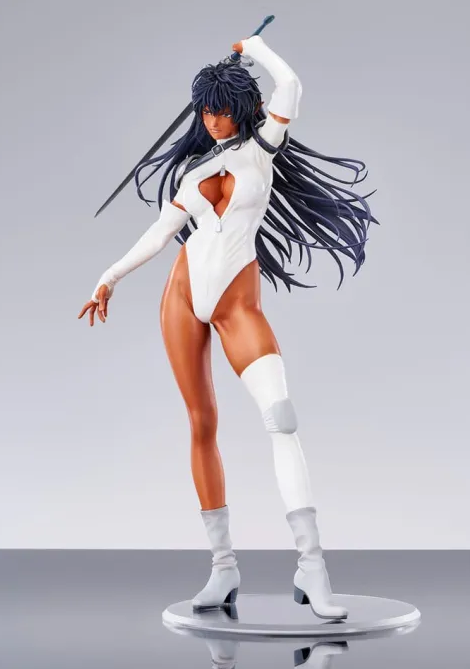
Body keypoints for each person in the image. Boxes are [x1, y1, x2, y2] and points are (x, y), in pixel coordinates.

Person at [78, 35, 377, 620]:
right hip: (182, 295)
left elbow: (290, 85)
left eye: (220, 109)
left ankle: (312, 567)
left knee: (281, 418)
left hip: (237, 305)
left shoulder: (262, 149)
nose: (212, 121)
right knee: (201, 422)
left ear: (242, 108)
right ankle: (223, 569)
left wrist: (255, 46)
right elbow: (161, 234)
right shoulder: (194, 170)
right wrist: (109, 277)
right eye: (205, 111)